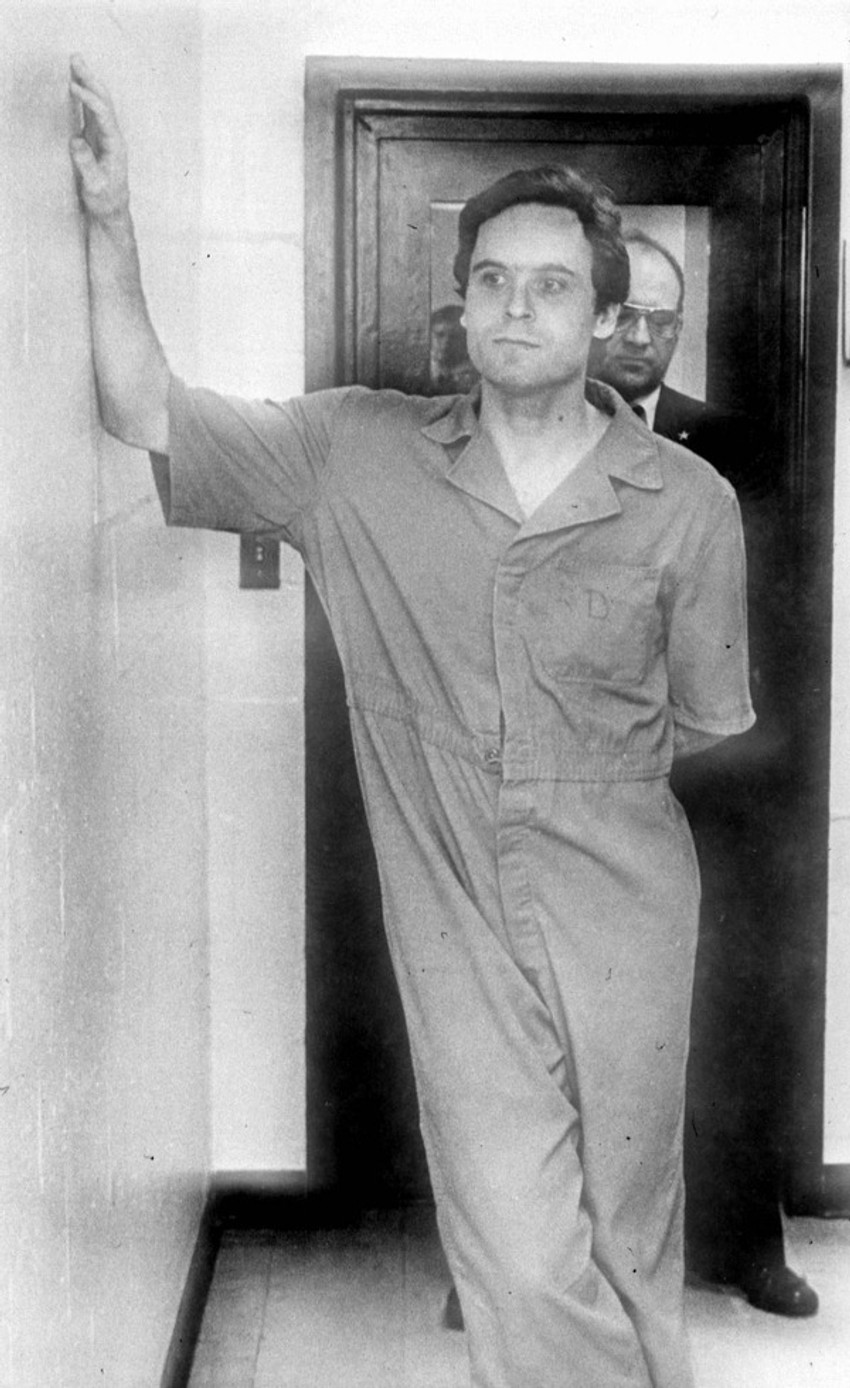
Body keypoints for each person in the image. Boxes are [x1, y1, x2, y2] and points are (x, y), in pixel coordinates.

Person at [70, 56, 756, 1388]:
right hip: (451, 894)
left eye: (550, 285)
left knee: (629, 1229)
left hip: (627, 901)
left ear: (606, 318)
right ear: (461, 303)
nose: (515, 307)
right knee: (518, 1244)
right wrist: (110, 222)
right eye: (491, 280)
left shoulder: (686, 504)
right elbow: (143, 407)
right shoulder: (356, 452)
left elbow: (704, 717)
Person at [589, 230, 819, 1318]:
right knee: (563, 1018)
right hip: (574, 779)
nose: (643, 338)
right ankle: (545, 1259)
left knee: (729, 1004)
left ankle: (742, 1245)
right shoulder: (527, 438)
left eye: (663, 319)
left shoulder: (734, 445)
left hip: (709, 782)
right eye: (625, 314)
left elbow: (766, 613)